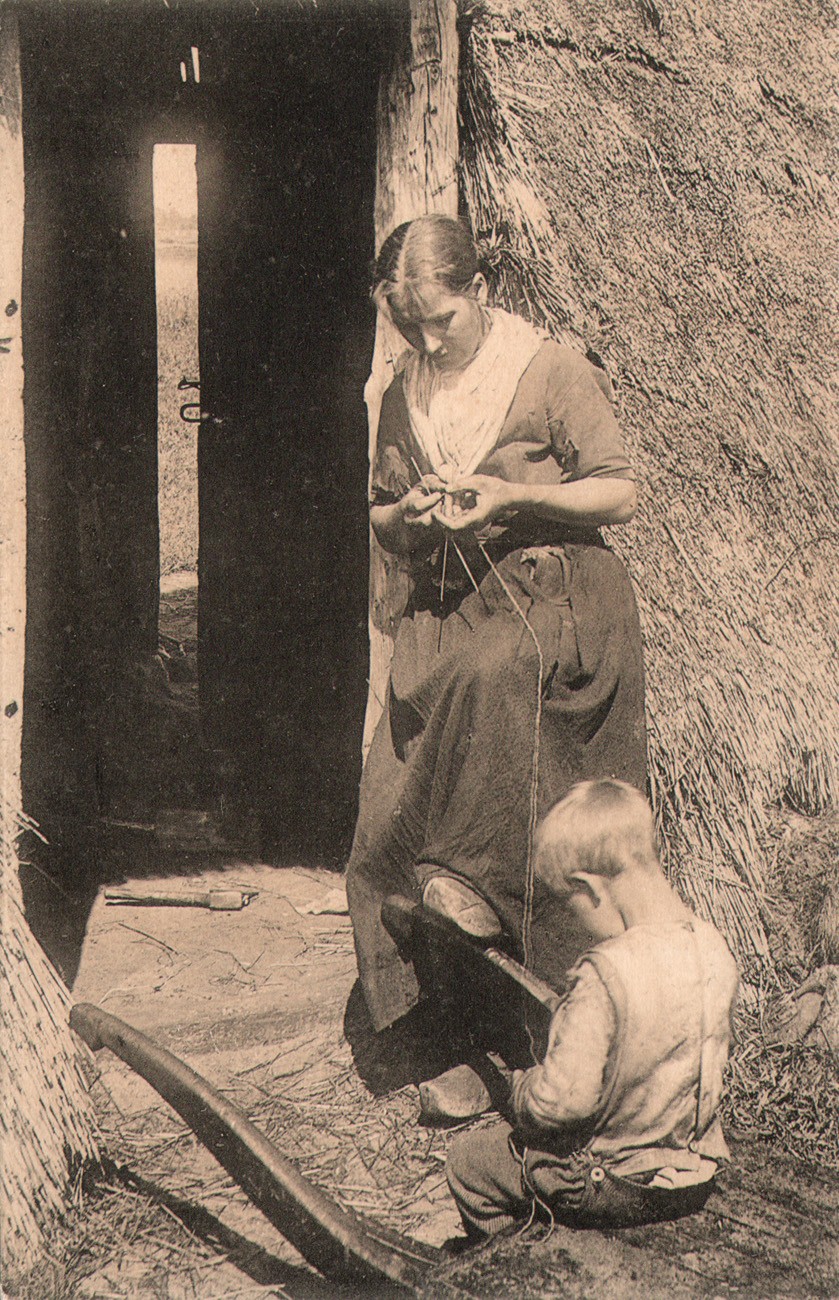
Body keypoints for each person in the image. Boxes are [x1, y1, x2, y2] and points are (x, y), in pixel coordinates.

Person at [346, 215, 647, 1093]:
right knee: (386, 812)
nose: (428, 341)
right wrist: (410, 515)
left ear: (478, 290)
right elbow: (381, 514)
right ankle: (448, 1024)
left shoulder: (545, 369)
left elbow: (619, 492)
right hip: (453, 606)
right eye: (409, 326)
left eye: (442, 320)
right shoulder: (401, 392)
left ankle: (530, 996)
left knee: (491, 684)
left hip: (557, 596)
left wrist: (509, 495)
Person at [446, 780, 740, 1238]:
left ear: (589, 887)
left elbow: (563, 1103)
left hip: (611, 1183)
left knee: (469, 1163)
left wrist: (520, 1089)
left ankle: (522, 1254)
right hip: (694, 1175)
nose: (576, 921)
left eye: (570, 905)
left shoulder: (604, 973)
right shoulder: (716, 949)